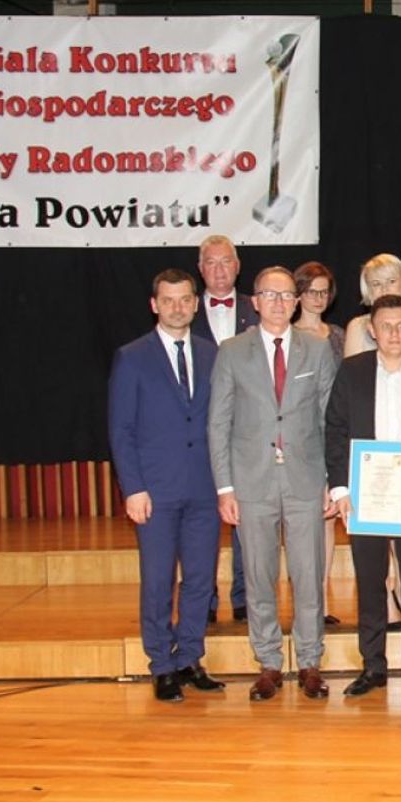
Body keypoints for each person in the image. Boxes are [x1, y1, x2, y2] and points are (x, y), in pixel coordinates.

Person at [208, 266, 339, 702]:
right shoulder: (232, 351)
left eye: (286, 295)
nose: (279, 303)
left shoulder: (317, 350)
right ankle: (267, 662)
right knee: (259, 576)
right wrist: (225, 488)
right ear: (255, 301)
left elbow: (330, 420)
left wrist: (333, 481)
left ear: (297, 302)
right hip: (251, 482)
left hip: (306, 479)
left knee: (309, 575)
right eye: (270, 294)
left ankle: (310, 661)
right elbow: (219, 423)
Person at [108, 268, 226, 703]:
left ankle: (190, 657)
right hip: (154, 491)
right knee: (158, 580)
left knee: (199, 580)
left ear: (196, 304)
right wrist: (133, 488)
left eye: (185, 299)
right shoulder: (132, 357)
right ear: (154, 305)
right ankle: (160, 664)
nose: (177, 307)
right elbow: (121, 429)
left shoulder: (213, 354)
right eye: (168, 300)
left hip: (204, 488)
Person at [324, 295, 401, 698]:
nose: (395, 333)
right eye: (386, 326)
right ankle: (373, 667)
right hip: (366, 497)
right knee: (370, 584)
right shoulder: (352, 371)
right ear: (372, 330)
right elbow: (335, 431)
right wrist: (341, 489)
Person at [192, 233, 256, 626]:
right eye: (211, 263)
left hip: (248, 431)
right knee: (202, 523)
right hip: (198, 432)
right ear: (200, 269)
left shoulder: (257, 308)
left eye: (225, 261)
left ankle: (246, 597)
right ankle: (204, 599)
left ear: (237, 266)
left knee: (247, 519)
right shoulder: (184, 309)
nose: (219, 270)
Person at [294, 261, 349, 627]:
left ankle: (323, 600)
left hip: (335, 431)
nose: (318, 298)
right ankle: (306, 600)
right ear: (298, 294)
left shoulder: (339, 335)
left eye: (324, 292)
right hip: (301, 435)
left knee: (328, 516)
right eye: (312, 291)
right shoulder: (288, 334)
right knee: (304, 522)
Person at [343, 253, 401, 358]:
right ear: (368, 290)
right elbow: (352, 367)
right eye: (376, 284)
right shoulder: (358, 327)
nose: (385, 289)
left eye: (391, 281)